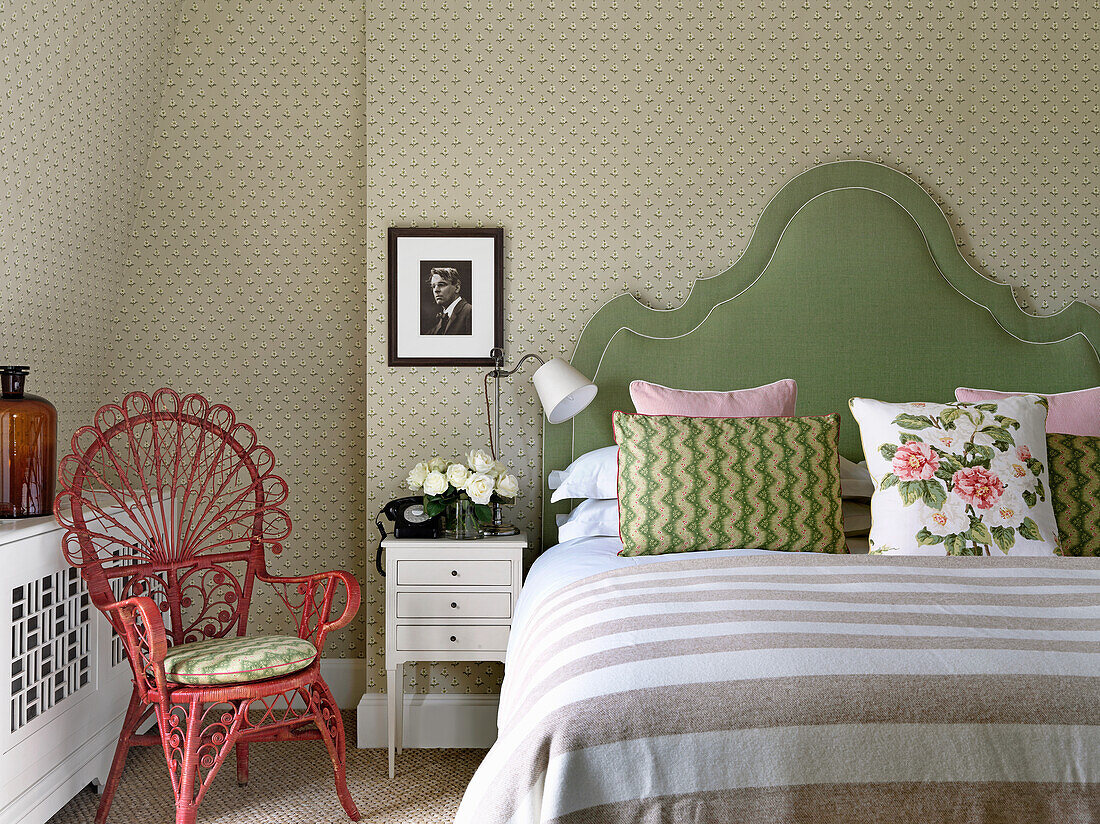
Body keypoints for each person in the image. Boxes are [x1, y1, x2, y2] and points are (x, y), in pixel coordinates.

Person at [427, 267, 472, 335]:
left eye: (441, 285)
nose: (436, 290)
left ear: (457, 288)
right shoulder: (440, 321)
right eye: (433, 286)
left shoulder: (470, 312)